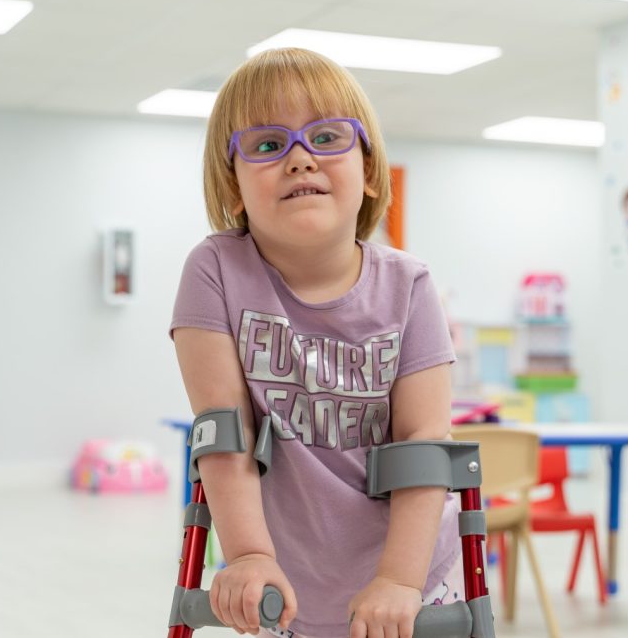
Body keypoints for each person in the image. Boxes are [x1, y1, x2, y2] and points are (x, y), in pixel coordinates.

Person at [170, 48, 461, 638]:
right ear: (234, 185)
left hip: (412, 582)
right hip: (286, 585)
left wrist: (401, 582)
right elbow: (225, 431)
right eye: (268, 145)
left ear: (371, 171)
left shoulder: (410, 286)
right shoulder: (215, 271)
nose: (300, 159)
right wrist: (249, 554)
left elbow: (423, 442)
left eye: (327, 137)